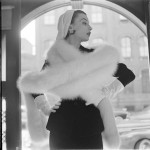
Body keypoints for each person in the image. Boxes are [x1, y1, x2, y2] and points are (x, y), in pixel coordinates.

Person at [18, 10, 135, 150]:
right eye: (84, 23)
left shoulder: (94, 56)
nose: (90, 27)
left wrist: (108, 91)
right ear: (70, 27)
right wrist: (45, 106)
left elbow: (128, 74)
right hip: (61, 128)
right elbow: (35, 86)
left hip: (90, 127)